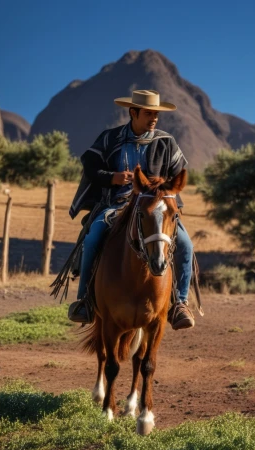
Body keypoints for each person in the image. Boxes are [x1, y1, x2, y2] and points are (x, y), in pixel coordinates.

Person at [67, 89, 195, 330]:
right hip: (115, 206)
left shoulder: (166, 142)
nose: (154, 118)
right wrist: (112, 177)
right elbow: (91, 166)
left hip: (154, 209)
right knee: (93, 237)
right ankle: (84, 299)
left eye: (156, 114)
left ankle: (180, 303)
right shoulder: (110, 138)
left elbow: (178, 174)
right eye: (148, 113)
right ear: (133, 113)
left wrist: (161, 192)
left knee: (186, 244)